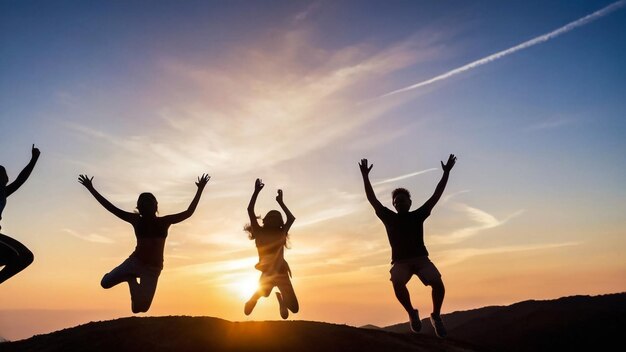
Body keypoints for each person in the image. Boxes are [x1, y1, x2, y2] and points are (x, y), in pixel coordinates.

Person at [78, 173, 210, 313]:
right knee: (105, 283)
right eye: (144, 204)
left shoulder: (164, 222)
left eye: (150, 204)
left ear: (155, 207)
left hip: (153, 269)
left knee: (140, 309)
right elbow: (111, 208)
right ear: (140, 208)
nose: (147, 207)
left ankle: (130, 279)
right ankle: (129, 276)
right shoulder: (136, 220)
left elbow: (188, 212)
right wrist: (90, 188)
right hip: (135, 262)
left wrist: (200, 189)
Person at [359, 154, 457, 338]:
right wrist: (365, 177)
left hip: (421, 259)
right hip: (400, 262)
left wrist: (446, 173)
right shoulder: (389, 217)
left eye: (402, 200)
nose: (399, 203)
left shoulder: (418, 215)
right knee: (397, 283)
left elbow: (436, 195)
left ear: (410, 203)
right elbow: (372, 199)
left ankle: (436, 316)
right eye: (396, 202)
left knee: (438, 284)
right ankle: (412, 313)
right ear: (393, 205)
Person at [244, 178, 298, 319]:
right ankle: (253, 299)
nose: (274, 220)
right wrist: (256, 192)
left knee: (295, 309)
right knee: (264, 293)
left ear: (279, 222)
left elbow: (291, 218)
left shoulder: (281, 233)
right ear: (267, 221)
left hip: (281, 273)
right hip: (267, 273)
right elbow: (250, 210)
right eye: (272, 218)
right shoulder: (260, 232)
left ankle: (282, 301)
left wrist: (281, 202)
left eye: (276, 218)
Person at [0, 145, 40, 285]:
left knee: (25, 257)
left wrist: (34, 159)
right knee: (22, 256)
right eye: (3, 174)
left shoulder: (3, 193)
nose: (6, 177)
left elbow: (20, 180)